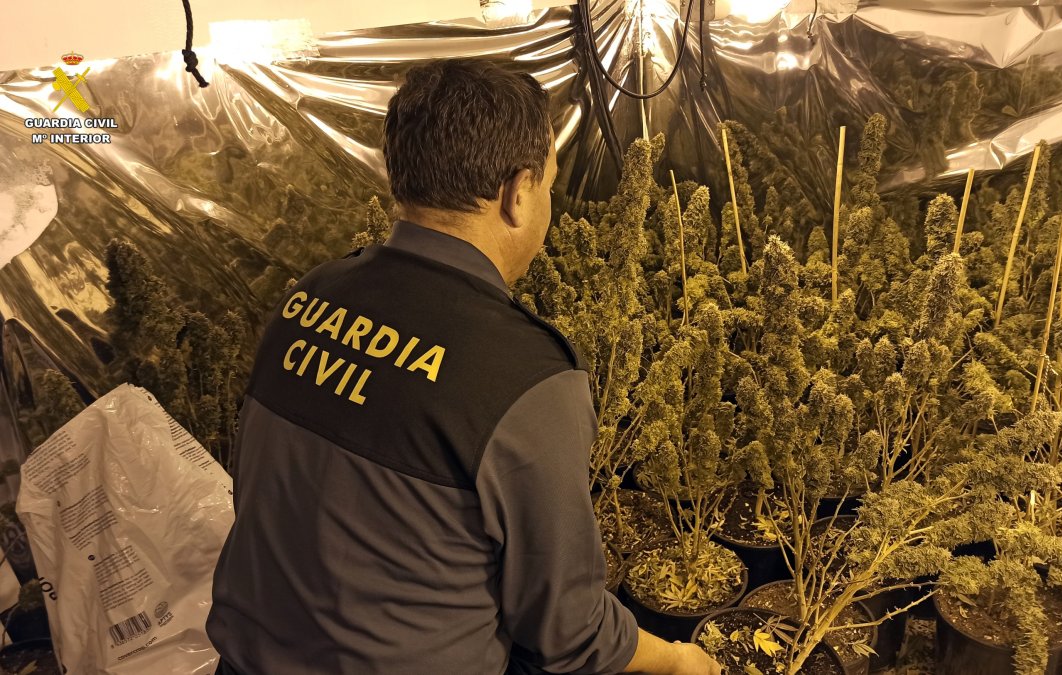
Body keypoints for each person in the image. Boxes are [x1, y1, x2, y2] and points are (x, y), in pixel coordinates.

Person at [205, 58, 722, 675]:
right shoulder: (523, 375)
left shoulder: (310, 298)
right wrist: (680, 660)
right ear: (516, 192)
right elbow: (569, 629)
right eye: (549, 189)